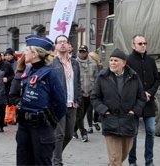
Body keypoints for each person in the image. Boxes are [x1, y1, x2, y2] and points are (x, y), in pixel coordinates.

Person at [15, 35, 67, 165]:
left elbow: (61, 104)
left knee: (41, 162)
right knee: (23, 162)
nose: (24, 53)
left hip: (41, 128)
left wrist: (49, 121)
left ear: (34, 53)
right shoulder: (28, 70)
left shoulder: (50, 74)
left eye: (27, 50)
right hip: (24, 127)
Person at [91, 49, 146, 166]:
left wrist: (134, 111)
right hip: (110, 121)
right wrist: (104, 111)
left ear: (124, 63)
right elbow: (94, 98)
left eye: (116, 60)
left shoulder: (134, 77)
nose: (112, 63)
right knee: (116, 159)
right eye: (111, 60)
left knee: (122, 156)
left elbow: (141, 98)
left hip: (128, 121)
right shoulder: (102, 77)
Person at [127, 35, 160, 166]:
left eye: (145, 43)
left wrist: (150, 93)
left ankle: (149, 161)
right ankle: (132, 161)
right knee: (133, 133)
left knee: (151, 131)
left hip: (149, 102)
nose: (143, 45)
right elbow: (127, 82)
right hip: (134, 103)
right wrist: (141, 94)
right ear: (133, 45)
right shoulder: (128, 61)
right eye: (140, 43)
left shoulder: (151, 61)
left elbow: (157, 79)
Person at [51, 35, 82, 166]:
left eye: (65, 42)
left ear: (69, 45)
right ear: (56, 46)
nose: (62, 44)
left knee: (69, 134)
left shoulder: (74, 62)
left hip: (72, 103)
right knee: (59, 134)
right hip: (58, 104)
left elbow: (78, 82)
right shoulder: (52, 63)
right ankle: (57, 162)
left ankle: (53, 156)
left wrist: (78, 99)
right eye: (60, 42)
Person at [73, 45, 98, 142]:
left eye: (84, 51)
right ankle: (83, 133)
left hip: (90, 93)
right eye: (80, 51)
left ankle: (73, 130)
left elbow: (96, 78)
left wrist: (95, 91)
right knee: (80, 114)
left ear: (87, 52)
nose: (82, 53)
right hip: (79, 93)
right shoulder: (74, 63)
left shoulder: (93, 63)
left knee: (82, 114)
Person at [88, 51, 103, 132]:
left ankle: (95, 121)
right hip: (89, 90)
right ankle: (90, 127)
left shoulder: (100, 67)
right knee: (89, 109)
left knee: (97, 108)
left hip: (98, 90)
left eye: (91, 57)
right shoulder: (87, 66)